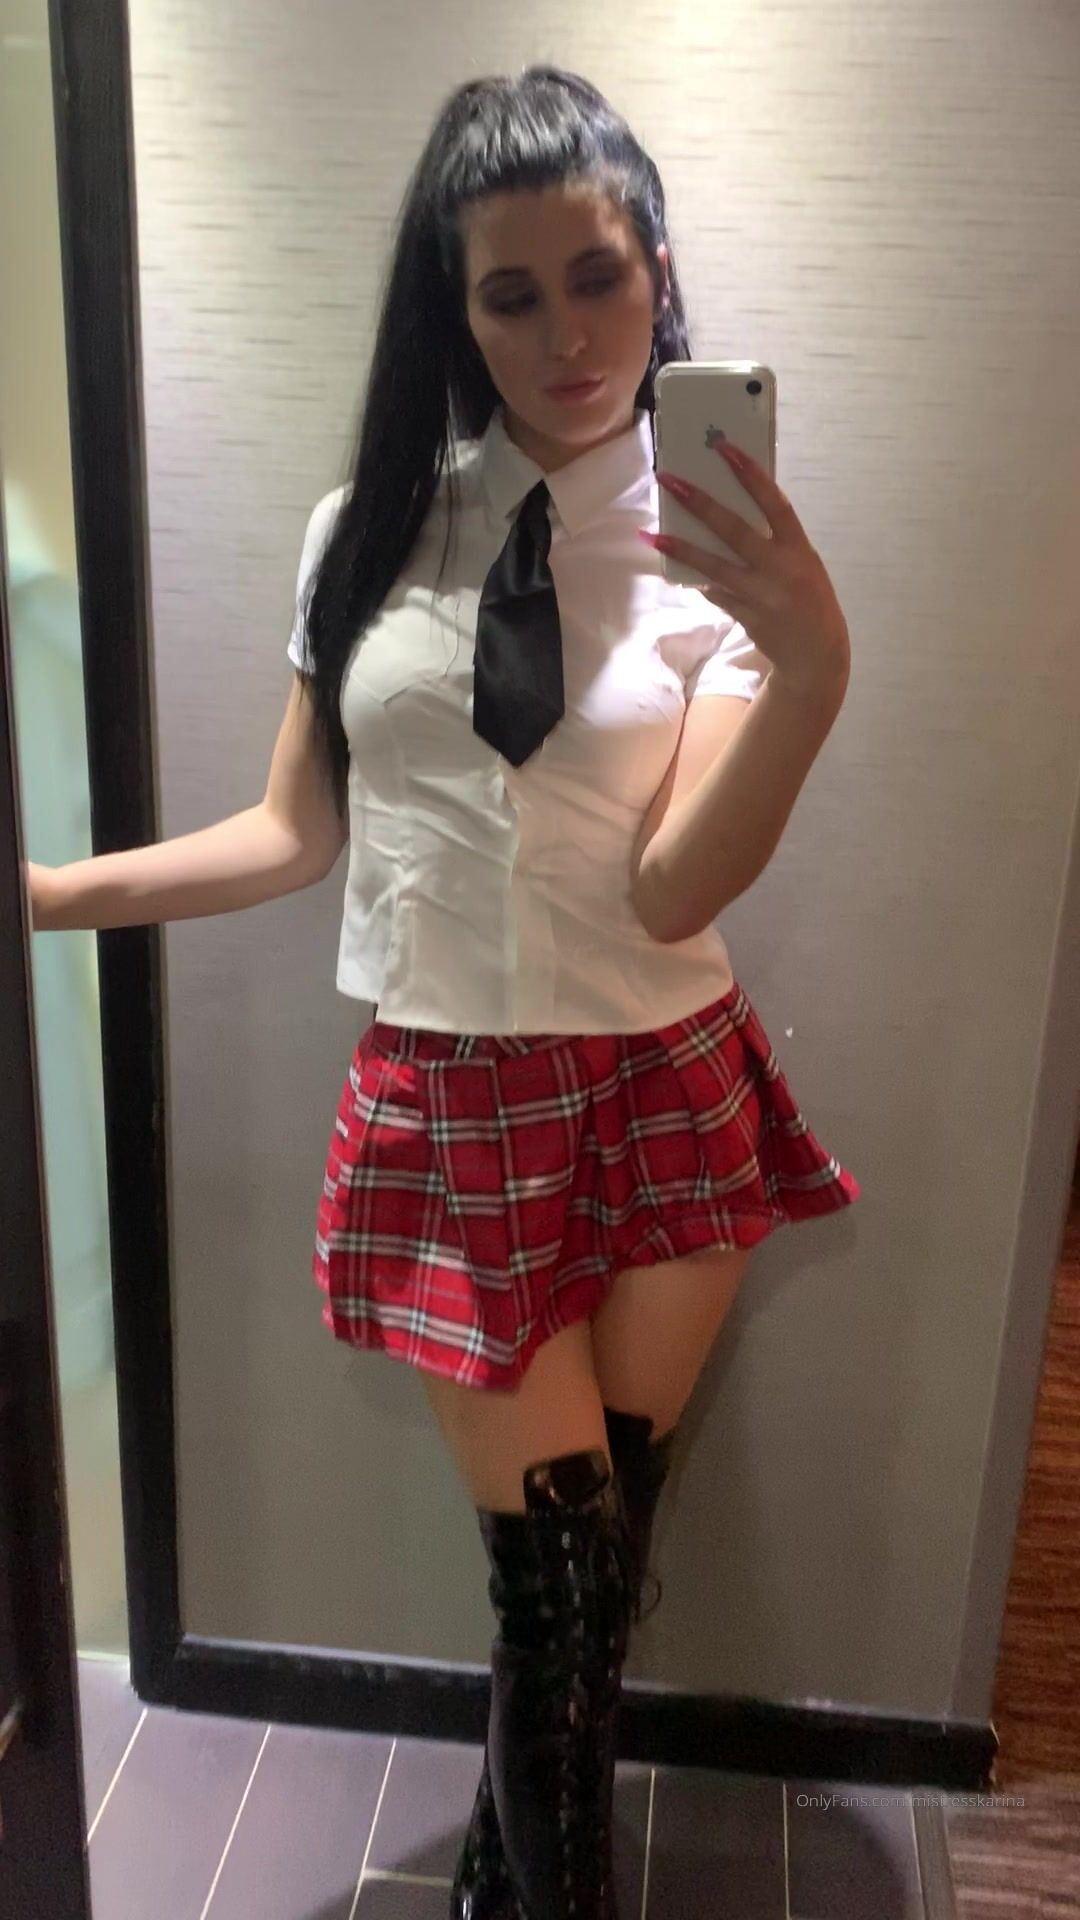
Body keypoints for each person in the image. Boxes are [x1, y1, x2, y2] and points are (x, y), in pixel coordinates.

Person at [28, 63, 860, 1920]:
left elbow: (675, 886)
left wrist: (809, 673)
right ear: (454, 310)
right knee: (553, 1586)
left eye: (600, 276)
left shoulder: (725, 558)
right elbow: (289, 833)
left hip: (665, 1082)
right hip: (455, 1097)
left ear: (659, 271)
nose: (567, 335)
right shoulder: (366, 531)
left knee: (589, 1585)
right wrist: (48, 895)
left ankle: (505, 1885)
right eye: (512, 292)